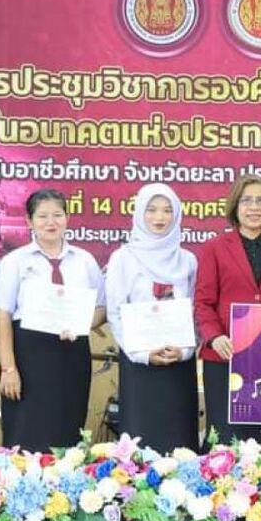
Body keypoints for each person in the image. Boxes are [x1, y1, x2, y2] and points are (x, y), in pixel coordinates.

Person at [0, 189, 106, 453]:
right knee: (26, 434)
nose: (51, 222)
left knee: (68, 431)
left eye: (57, 215)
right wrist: (8, 368)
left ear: (67, 218)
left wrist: (80, 324)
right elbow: (2, 315)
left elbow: (102, 309)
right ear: (29, 221)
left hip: (72, 354)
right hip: (28, 356)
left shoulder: (84, 261)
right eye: (42, 216)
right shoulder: (15, 261)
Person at [195, 174, 261, 447]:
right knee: (225, 438)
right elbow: (203, 302)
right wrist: (215, 337)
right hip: (225, 357)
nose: (254, 207)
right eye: (247, 201)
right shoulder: (214, 248)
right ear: (235, 206)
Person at [106, 183, 199, 453]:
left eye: (168, 210)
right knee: (140, 446)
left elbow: (196, 311)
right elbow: (115, 312)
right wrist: (142, 354)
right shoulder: (123, 258)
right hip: (139, 366)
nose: (160, 217)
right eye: (152, 210)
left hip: (179, 365)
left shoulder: (188, 261)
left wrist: (185, 351)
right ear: (139, 213)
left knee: (180, 444)